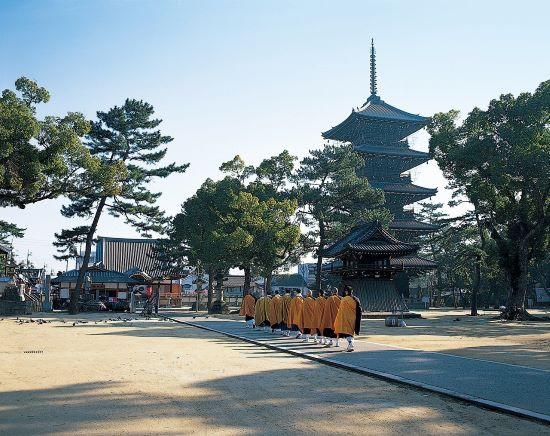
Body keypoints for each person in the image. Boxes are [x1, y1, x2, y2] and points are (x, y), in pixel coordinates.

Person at [334, 285, 362, 352]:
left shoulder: (344, 299)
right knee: (351, 332)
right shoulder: (356, 299)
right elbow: (359, 310)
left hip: (345, 319)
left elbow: (341, 311)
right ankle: (350, 344)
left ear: (346, 292)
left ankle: (350, 344)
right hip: (353, 318)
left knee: (347, 333)